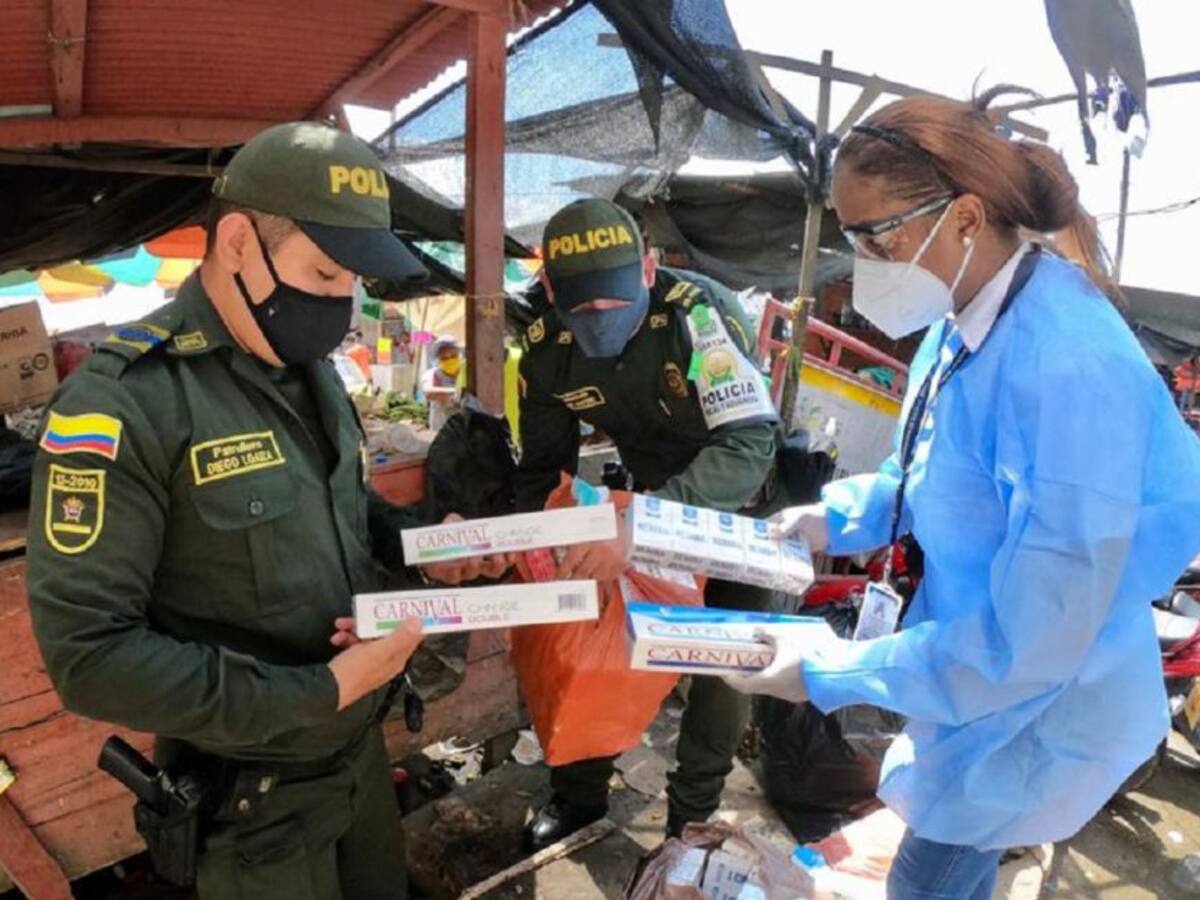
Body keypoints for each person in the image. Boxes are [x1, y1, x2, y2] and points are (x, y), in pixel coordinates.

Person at [726, 92, 1200, 899]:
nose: (865, 259)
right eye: (851, 236)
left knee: (933, 871)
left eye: (879, 234)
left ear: (967, 217)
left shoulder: (1064, 366)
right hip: (972, 673)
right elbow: (934, 470)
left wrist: (833, 668)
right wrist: (831, 517)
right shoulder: (967, 321)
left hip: (1038, 700)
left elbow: (1034, 638)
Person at [26, 123, 506, 900]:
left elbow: (350, 522)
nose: (341, 307)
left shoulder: (309, 375)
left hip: (356, 763)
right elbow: (90, 661)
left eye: (352, 283)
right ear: (240, 242)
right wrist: (319, 691)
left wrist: (424, 551)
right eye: (323, 273)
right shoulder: (125, 403)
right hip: (255, 808)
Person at [515, 198, 780, 847]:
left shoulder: (697, 316)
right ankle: (577, 795)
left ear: (648, 268)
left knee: (720, 668)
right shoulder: (547, 351)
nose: (599, 321)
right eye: (581, 309)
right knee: (587, 637)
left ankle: (689, 821)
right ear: (551, 289)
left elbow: (747, 445)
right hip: (635, 506)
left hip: (732, 507)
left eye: (613, 302)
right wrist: (515, 539)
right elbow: (544, 470)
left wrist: (644, 527)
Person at [421, 334, 463, 431]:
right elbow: (429, 392)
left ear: (459, 355)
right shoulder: (431, 374)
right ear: (438, 359)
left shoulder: (466, 373)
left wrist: (446, 395)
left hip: (463, 430)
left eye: (453, 356)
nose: (449, 360)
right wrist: (458, 395)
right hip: (440, 427)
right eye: (444, 358)